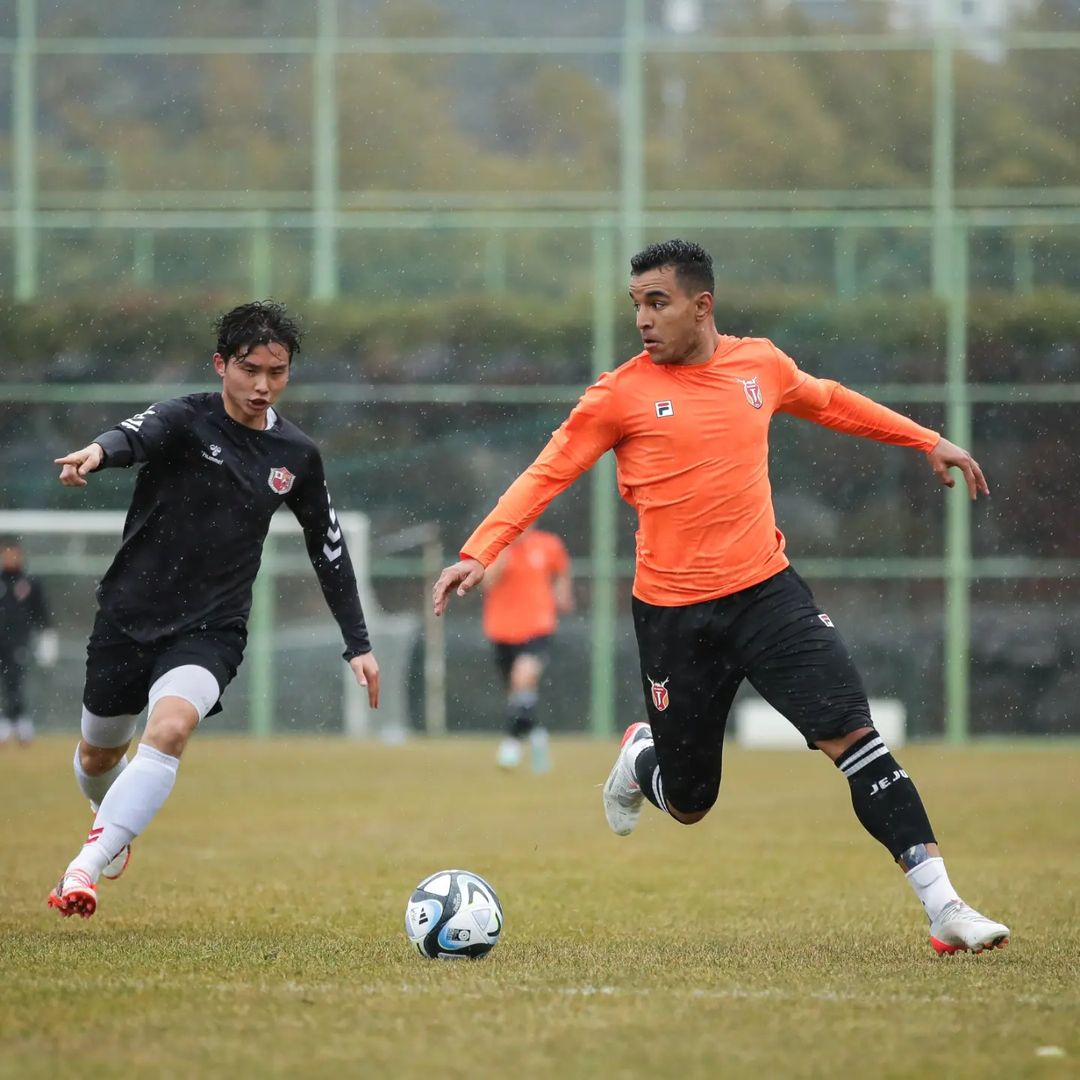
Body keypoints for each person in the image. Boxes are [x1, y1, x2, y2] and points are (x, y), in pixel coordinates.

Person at [433, 239, 1009, 955]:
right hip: (673, 617)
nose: (643, 318)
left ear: (702, 305)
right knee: (690, 802)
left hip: (768, 596)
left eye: (658, 302)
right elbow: (546, 473)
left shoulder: (758, 364)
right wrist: (478, 551)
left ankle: (944, 906)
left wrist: (927, 439)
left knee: (854, 738)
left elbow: (830, 401)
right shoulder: (619, 394)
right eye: (636, 304)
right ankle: (643, 760)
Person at [47, 301, 380, 920]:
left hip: (211, 628)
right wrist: (96, 452)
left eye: (277, 373)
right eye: (250, 369)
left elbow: (328, 548)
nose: (262, 386)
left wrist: (357, 642)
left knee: (170, 728)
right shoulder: (185, 419)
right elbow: (131, 436)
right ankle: (109, 817)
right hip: (128, 615)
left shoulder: (296, 455)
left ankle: (82, 868)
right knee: (98, 757)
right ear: (221, 364)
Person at [482, 525, 573, 772]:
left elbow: (561, 572)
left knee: (523, 678)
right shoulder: (496, 545)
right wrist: (508, 548)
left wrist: (563, 593)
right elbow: (488, 580)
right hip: (501, 629)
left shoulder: (548, 544)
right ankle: (536, 735)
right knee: (518, 694)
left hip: (537, 627)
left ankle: (510, 743)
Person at [0, 539, 58, 746]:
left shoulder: (30, 582)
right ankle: (16, 722)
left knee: (14, 680)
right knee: (7, 682)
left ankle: (12, 723)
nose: (10, 558)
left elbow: (42, 613)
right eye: (6, 554)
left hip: (19, 641)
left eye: (13, 554)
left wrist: (48, 637)